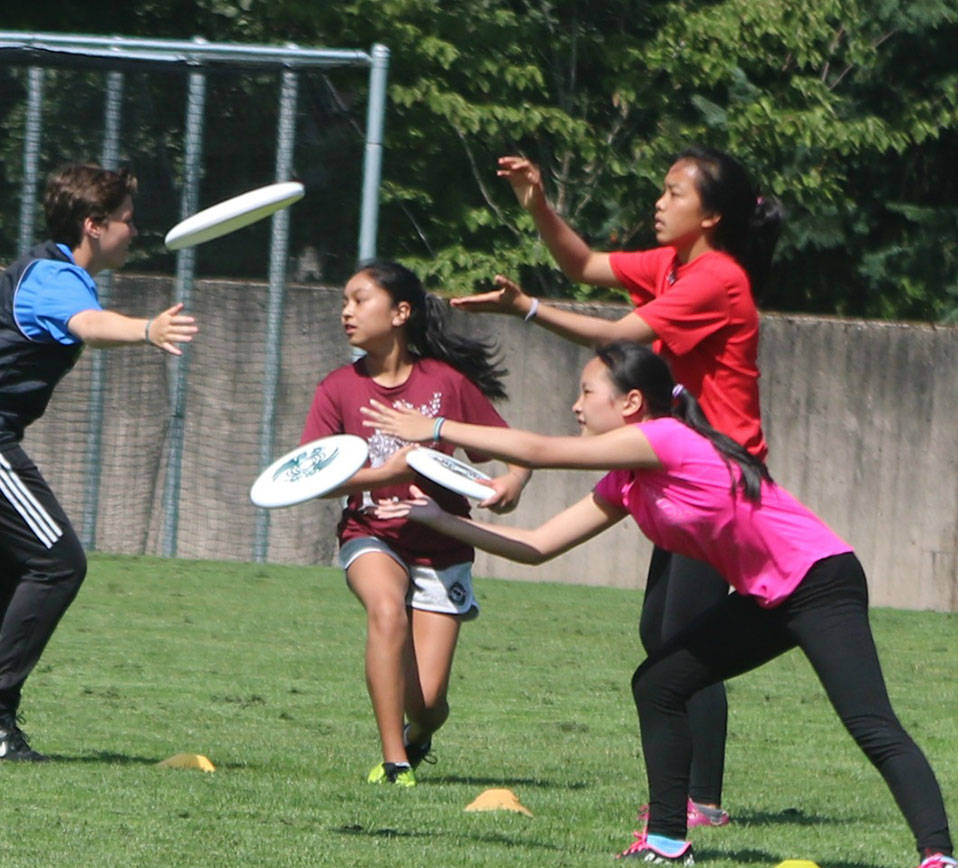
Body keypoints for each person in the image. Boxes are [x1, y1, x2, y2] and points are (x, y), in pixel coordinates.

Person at [361, 341, 954, 867]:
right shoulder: (625, 480)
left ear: (631, 405)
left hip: (820, 579)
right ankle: (668, 841)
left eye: (587, 392)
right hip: (765, 596)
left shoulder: (668, 438)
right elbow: (537, 547)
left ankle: (937, 856)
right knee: (660, 683)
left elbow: (538, 449)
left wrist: (436, 429)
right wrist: (440, 519)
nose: (576, 405)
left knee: (869, 723)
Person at [450, 146, 785, 825]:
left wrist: (526, 309)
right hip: (676, 467)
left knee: (686, 635)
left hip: (718, 480)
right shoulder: (670, 264)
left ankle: (702, 801)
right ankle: (694, 794)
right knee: (659, 628)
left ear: (712, 215)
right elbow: (584, 265)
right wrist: (537, 203)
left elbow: (615, 336)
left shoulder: (718, 277)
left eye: (673, 193)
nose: (658, 203)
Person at [0, 163, 197, 762]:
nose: (134, 231)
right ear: (93, 224)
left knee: (11, 572)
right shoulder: (55, 275)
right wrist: (148, 329)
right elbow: (90, 326)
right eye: (127, 221)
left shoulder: (47, 271)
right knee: (58, 563)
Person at [298, 259, 531, 786]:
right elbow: (314, 479)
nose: (346, 312)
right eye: (344, 301)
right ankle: (393, 759)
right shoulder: (336, 388)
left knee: (428, 704)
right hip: (371, 534)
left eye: (360, 300)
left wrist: (511, 485)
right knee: (385, 610)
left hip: (442, 544)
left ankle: (416, 736)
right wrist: (387, 472)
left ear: (401, 312)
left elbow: (516, 454)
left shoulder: (446, 383)